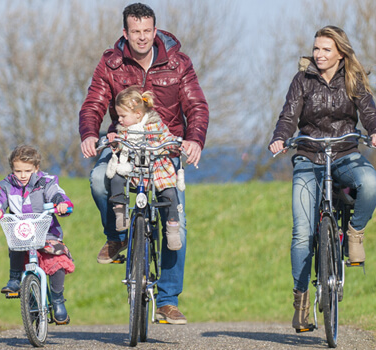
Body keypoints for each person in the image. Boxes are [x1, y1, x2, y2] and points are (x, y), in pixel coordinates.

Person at [79, 2, 209, 325]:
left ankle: (166, 300)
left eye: (146, 31)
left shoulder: (178, 63)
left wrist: (194, 139)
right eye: (135, 32)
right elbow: (94, 103)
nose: (141, 37)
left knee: (176, 220)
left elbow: (196, 106)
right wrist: (89, 134)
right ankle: (117, 236)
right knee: (98, 179)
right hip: (123, 143)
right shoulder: (111, 63)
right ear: (125, 33)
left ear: (155, 30)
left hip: (164, 149)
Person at [268, 25, 376, 332]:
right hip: (309, 157)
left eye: (326, 50)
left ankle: (355, 233)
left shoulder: (353, 78)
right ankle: (301, 304)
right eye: (317, 48)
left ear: (340, 53)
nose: (319, 55)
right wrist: (280, 138)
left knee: (370, 183)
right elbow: (289, 115)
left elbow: (369, 111)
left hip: (345, 153)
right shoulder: (302, 79)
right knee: (302, 233)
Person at [0, 144, 75, 325]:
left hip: (46, 231)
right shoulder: (7, 185)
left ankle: (57, 299)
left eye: (27, 170)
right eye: (18, 171)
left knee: (56, 260)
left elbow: (56, 194)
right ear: (12, 169)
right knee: (16, 245)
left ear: (36, 168)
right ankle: (16, 280)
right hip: (21, 231)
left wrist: (61, 204)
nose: (23, 175)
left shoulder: (46, 182)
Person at [107, 86, 184, 250]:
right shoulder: (125, 131)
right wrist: (114, 142)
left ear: (138, 114)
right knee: (116, 178)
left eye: (122, 116)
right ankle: (120, 212)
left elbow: (168, 137)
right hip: (133, 170)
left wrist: (175, 145)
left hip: (156, 170)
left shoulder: (156, 125)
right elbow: (119, 146)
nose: (119, 120)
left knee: (170, 194)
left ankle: (172, 228)